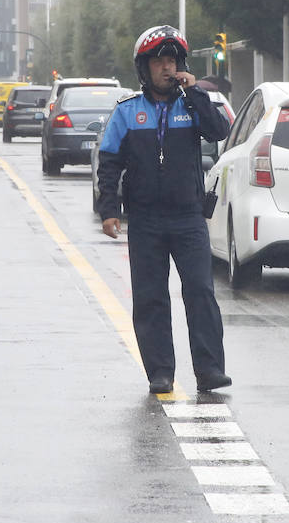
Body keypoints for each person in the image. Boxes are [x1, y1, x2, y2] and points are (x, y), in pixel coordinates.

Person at [97, 26, 233, 395]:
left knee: (201, 292)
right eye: (159, 61)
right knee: (151, 296)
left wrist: (196, 93)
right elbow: (109, 163)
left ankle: (209, 370)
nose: (167, 68)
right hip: (145, 220)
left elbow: (219, 131)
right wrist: (108, 209)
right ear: (145, 68)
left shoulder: (192, 104)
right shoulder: (127, 112)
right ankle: (160, 371)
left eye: (172, 60)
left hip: (188, 217)